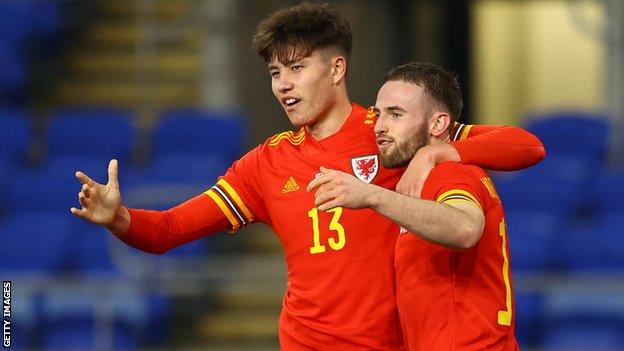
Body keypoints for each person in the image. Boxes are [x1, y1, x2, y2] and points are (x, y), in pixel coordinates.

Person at [71, 3, 541, 350]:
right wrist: (120, 218)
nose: (283, 85)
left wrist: (439, 154)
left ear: (337, 68)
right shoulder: (265, 163)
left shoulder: (394, 131)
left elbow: (524, 146)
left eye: (297, 68)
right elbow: (172, 229)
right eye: (276, 72)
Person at [309, 62, 520, 350]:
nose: (380, 126)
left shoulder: (452, 173)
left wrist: (372, 195)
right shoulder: (428, 176)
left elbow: (465, 228)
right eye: (378, 114)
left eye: (395, 115)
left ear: (437, 124)